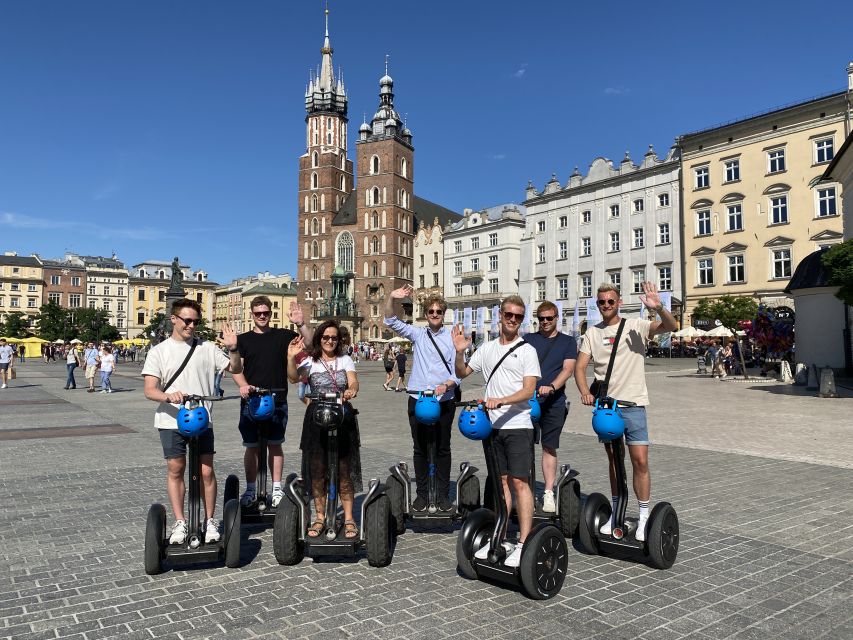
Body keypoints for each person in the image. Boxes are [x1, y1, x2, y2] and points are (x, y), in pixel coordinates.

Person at [574, 282, 677, 542]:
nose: (606, 305)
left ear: (618, 302)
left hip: (633, 404)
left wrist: (659, 307)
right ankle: (617, 512)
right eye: (601, 302)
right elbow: (579, 367)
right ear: (597, 304)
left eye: (610, 301)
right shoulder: (592, 334)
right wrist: (585, 391)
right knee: (614, 461)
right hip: (607, 408)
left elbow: (671, 327)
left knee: (639, 461)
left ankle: (643, 517)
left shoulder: (635, 326)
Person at [142, 298, 242, 545]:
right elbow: (149, 389)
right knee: (176, 469)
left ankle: (209, 521)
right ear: (173, 319)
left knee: (206, 471)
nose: (191, 325)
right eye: (187, 320)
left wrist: (233, 349)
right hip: (171, 419)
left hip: (202, 419)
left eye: (195, 322)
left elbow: (235, 368)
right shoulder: (159, 351)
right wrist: (168, 395)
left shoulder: (206, 348)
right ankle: (180, 521)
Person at [452, 295, 540, 568]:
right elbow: (462, 372)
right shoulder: (488, 349)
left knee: (520, 483)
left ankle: (524, 542)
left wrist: (501, 400)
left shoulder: (527, 351)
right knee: (501, 482)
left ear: (522, 320)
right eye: (509, 315)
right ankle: (500, 536)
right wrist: (459, 351)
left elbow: (529, 390)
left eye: (518, 316)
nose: (513, 320)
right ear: (500, 316)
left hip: (518, 425)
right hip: (493, 427)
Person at [230, 296, 312, 509]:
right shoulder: (243, 340)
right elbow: (236, 369)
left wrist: (301, 324)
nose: (262, 316)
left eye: (266, 313)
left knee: (275, 445)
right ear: (252, 314)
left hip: (277, 398)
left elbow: (310, 345)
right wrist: (243, 385)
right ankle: (250, 488)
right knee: (252, 447)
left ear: (270, 313)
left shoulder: (284, 336)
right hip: (251, 400)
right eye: (258, 313)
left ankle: (276, 488)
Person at [385, 285, 460, 512]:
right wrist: (391, 296)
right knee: (420, 447)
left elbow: (460, 370)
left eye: (439, 311)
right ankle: (422, 494)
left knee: (442, 447)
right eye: (431, 312)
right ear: (425, 314)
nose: (435, 315)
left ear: (443, 313)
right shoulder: (418, 333)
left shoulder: (452, 337)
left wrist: (447, 384)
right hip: (418, 397)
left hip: (444, 399)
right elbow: (390, 320)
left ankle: (443, 494)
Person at [286, 320, 362, 539]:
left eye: (334, 338)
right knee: (317, 472)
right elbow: (293, 378)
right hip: (316, 418)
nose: (330, 341)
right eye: (325, 337)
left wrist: (351, 391)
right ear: (319, 338)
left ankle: (348, 518)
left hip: (342, 415)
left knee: (344, 471)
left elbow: (354, 382)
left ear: (339, 340)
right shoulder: (311, 361)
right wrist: (291, 357)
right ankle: (320, 516)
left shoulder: (345, 359)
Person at [522, 300, 577, 513]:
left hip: (553, 401)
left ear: (557, 319)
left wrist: (551, 386)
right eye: (541, 318)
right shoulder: (528, 339)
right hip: (528, 400)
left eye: (549, 318)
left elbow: (568, 369)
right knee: (524, 446)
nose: (545, 322)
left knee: (548, 446)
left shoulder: (568, 342)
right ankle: (524, 488)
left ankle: (547, 492)